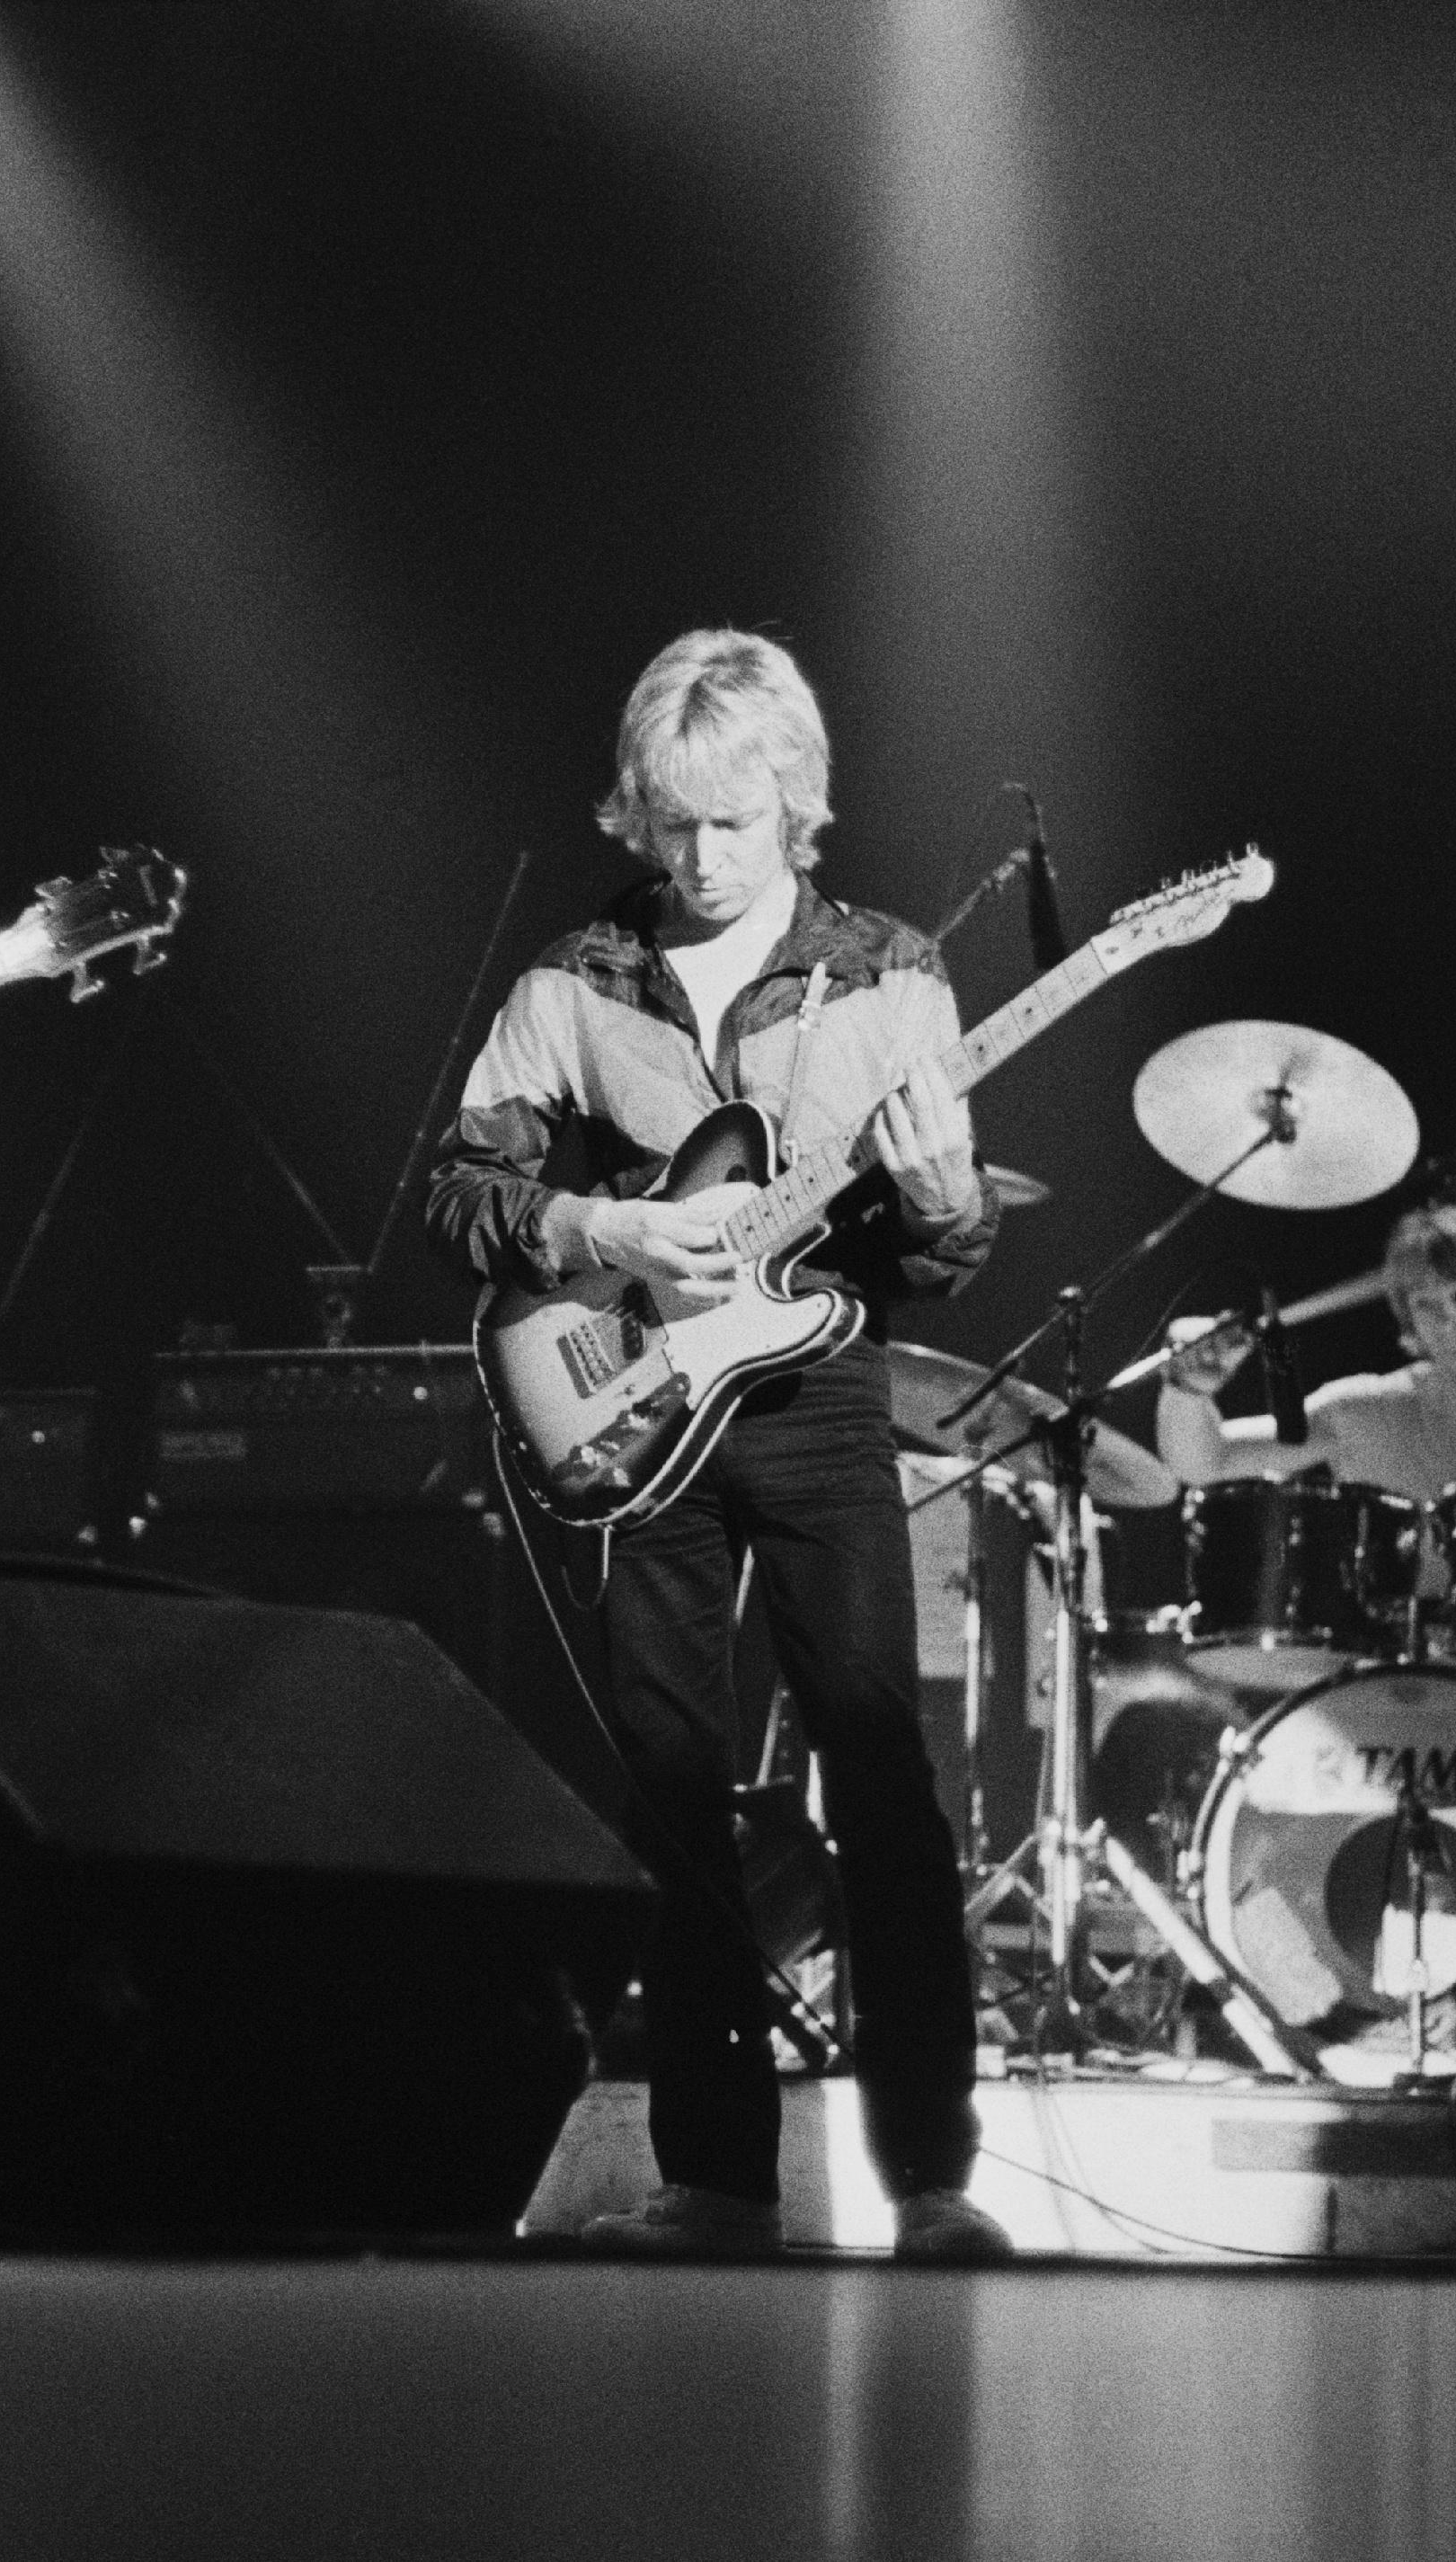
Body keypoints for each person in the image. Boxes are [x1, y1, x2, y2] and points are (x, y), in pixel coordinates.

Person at [427, 628, 1011, 2263]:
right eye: (669, 824)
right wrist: (601, 1222)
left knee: (882, 1776)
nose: (693, 859)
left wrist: (952, 1204)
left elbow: (921, 1254)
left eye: (728, 826)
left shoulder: (889, 971)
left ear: (793, 809)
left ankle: (934, 2181)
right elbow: (457, 1194)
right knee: (672, 1790)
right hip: (633, 1402)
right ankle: (714, 2180)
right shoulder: (569, 980)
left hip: (819, 1391)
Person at [1156, 1201, 1456, 1506]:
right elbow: (1205, 1463)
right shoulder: (1363, 1412)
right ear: (1410, 1323)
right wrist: (1188, 1386)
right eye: (1427, 1306)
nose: (1451, 1322)